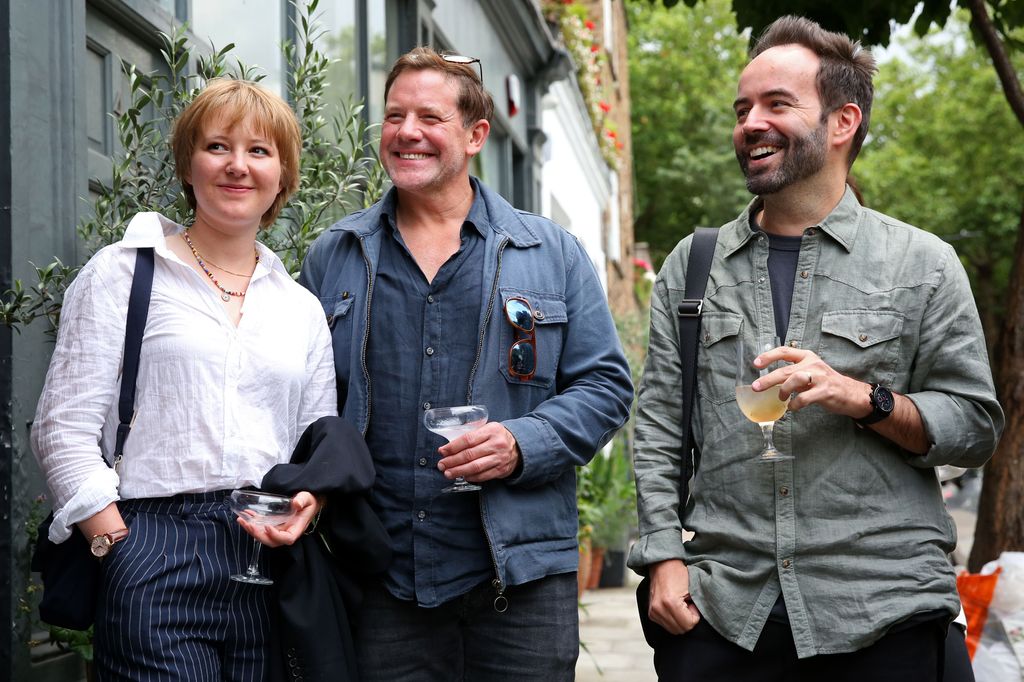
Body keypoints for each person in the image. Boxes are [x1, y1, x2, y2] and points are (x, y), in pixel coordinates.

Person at [628, 15, 1003, 681]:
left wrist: (864, 398)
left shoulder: (923, 263)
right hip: (725, 615)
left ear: (841, 122)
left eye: (777, 104)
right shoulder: (695, 266)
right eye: (743, 108)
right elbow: (658, 430)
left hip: (885, 612)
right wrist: (662, 558)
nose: (750, 122)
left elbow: (974, 428)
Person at [299, 46, 633, 681]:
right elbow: (304, 400)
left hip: (520, 580)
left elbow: (606, 386)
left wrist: (520, 441)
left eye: (430, 116)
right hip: (383, 579)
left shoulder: (550, 251)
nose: (406, 132)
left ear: (477, 134)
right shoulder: (335, 256)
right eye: (395, 116)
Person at [31, 78, 337, 680]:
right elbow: (61, 425)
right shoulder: (123, 274)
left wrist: (309, 504)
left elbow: (313, 443)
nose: (237, 166)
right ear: (188, 165)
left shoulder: (300, 307)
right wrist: (117, 543)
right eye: (218, 146)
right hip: (152, 550)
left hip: (266, 559)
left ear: (282, 174)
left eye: (259, 151)